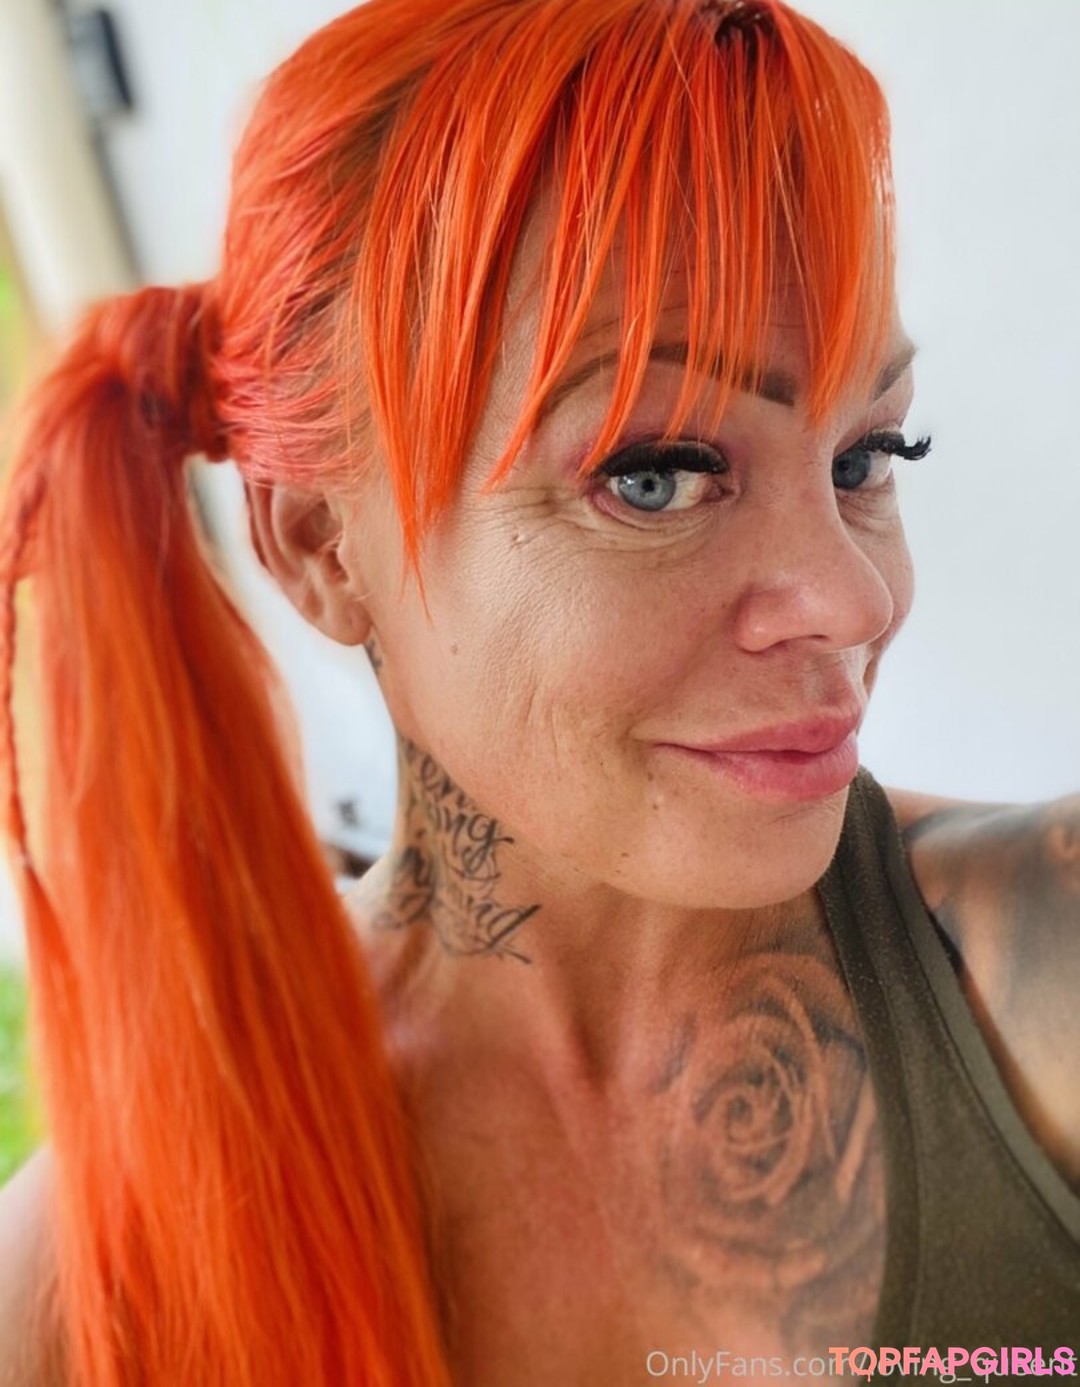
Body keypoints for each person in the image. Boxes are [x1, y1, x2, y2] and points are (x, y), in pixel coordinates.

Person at [0, 0, 1077, 1383]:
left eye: (867, 458)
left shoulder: (1040, 968)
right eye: (656, 475)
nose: (857, 601)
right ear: (322, 547)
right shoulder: (87, 1279)